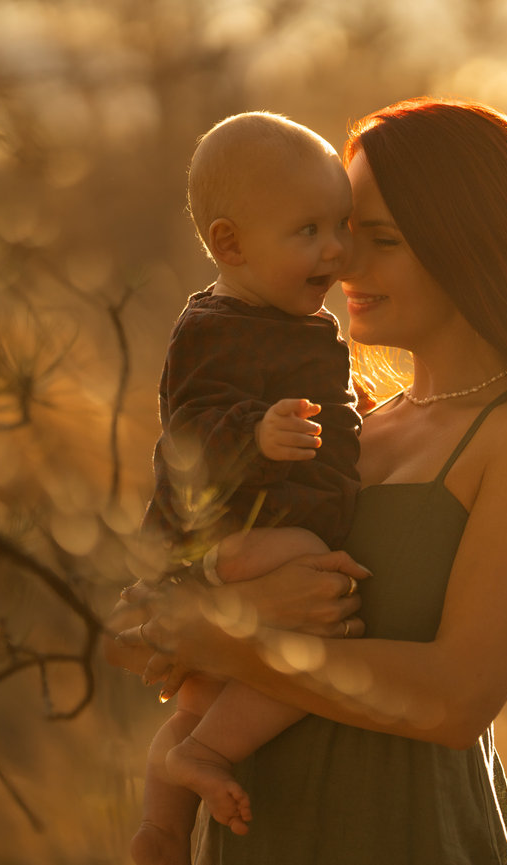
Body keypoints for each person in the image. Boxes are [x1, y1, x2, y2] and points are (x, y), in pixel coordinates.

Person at [115, 97, 507, 865]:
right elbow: (141, 625)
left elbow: (451, 699)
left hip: (408, 835)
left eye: (379, 239)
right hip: (257, 834)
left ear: (469, 246)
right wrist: (207, 600)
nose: (341, 261)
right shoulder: (339, 424)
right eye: (331, 228)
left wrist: (230, 636)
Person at [120, 111, 364, 865]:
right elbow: (185, 432)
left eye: (342, 225)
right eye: (309, 231)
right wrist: (254, 432)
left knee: (201, 698)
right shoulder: (216, 327)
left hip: (254, 530)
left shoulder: (290, 318)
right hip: (238, 530)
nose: (335, 250)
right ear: (231, 244)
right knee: (318, 631)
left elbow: (334, 413)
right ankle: (202, 750)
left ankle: (164, 822)